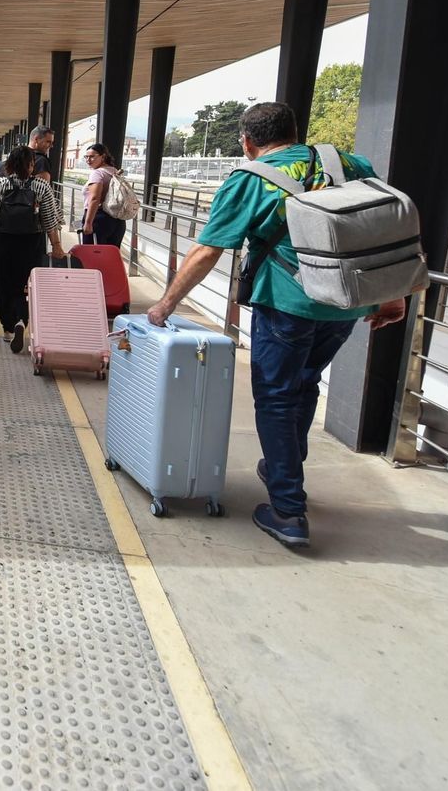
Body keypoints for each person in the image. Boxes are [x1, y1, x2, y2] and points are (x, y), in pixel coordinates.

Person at [145, 101, 408, 550]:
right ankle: (285, 465)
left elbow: (208, 250)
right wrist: (393, 293)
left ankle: (287, 509)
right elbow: (380, 229)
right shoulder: (349, 163)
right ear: (296, 131)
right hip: (346, 305)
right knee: (305, 384)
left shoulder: (249, 179)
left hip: (286, 305)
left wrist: (166, 304)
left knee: (277, 398)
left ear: (247, 143)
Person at [0, 145, 66, 352]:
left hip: (2, 241)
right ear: (32, 164)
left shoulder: (0, 185)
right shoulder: (42, 187)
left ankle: (7, 328)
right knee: (25, 286)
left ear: (10, 165)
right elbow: (50, 221)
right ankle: (21, 321)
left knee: (4, 285)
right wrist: (57, 246)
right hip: (32, 243)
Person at [78, 142, 127, 247]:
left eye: (92, 157)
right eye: (86, 157)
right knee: (110, 257)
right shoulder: (114, 171)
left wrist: (88, 222)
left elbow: (95, 198)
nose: (88, 160)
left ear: (103, 157)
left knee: (92, 256)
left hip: (99, 219)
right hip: (117, 220)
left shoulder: (97, 173)